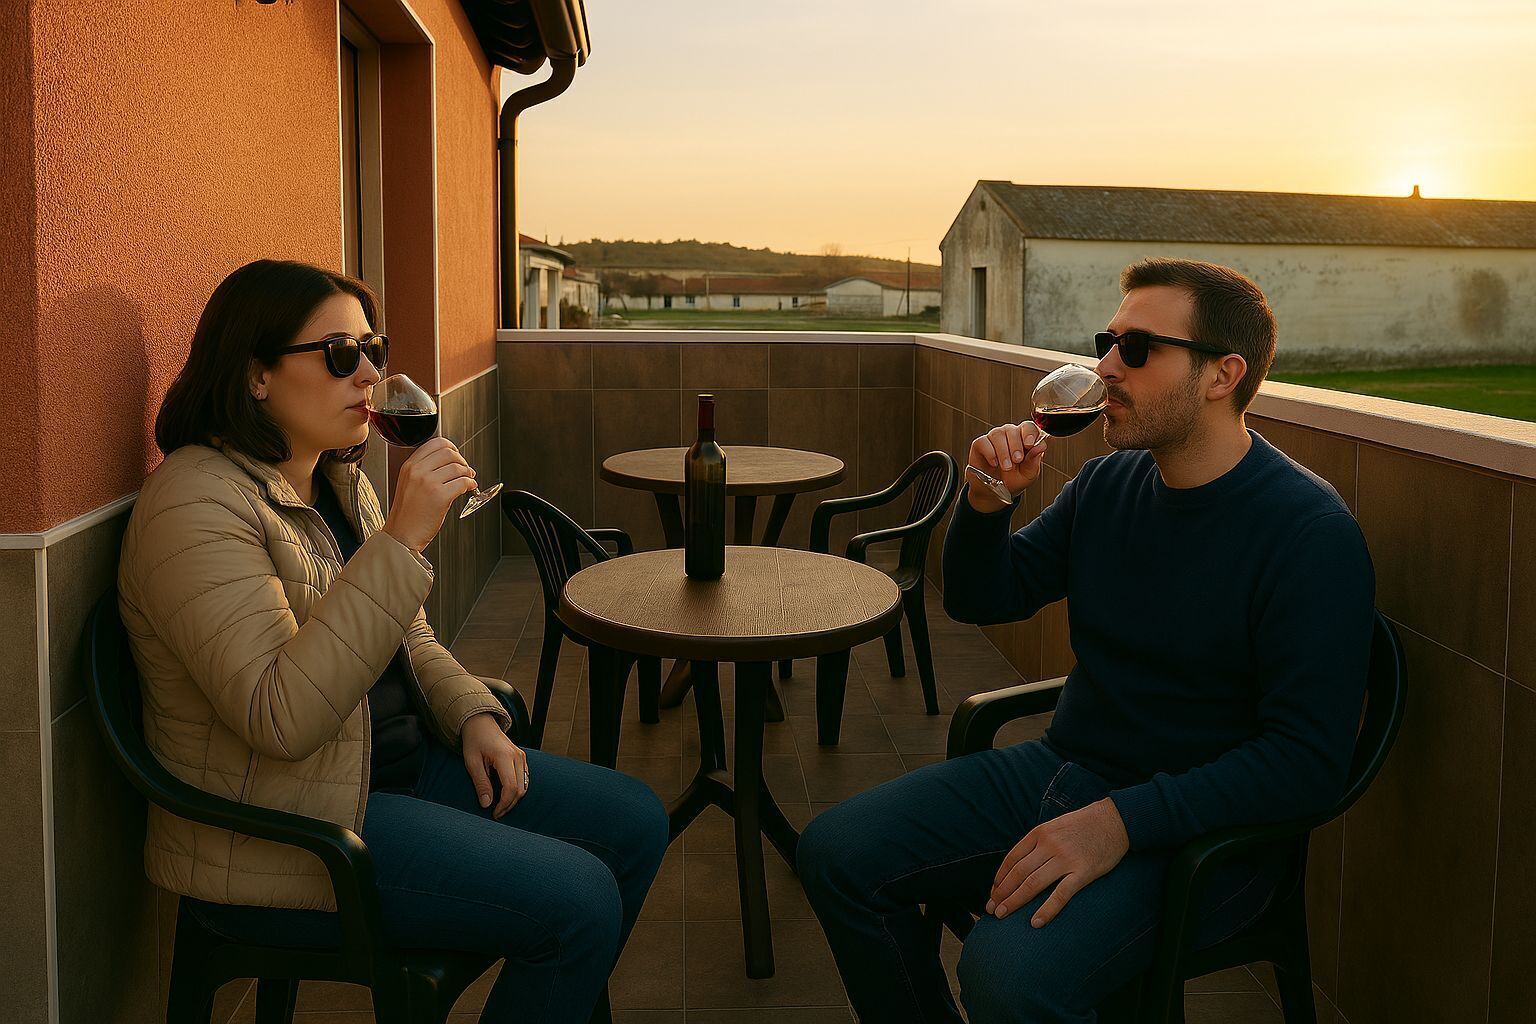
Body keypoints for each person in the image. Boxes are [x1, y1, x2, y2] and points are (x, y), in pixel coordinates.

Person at [797, 257, 1375, 1023]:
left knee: (1008, 975)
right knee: (838, 853)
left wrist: (1121, 823)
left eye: (1136, 350)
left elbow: (1307, 763)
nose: (1105, 367)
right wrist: (985, 501)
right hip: (1067, 772)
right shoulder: (1110, 486)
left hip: (1210, 840)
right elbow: (981, 598)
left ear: (1221, 374)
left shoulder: (1308, 533)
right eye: (1108, 341)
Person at [119, 259, 669, 1024]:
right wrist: (403, 541)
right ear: (256, 376)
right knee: (577, 900)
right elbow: (280, 718)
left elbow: (406, 638)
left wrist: (471, 713)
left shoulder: (337, 482)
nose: (371, 372)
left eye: (372, 347)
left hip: (389, 770)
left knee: (635, 818)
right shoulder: (195, 504)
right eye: (341, 354)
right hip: (297, 828)